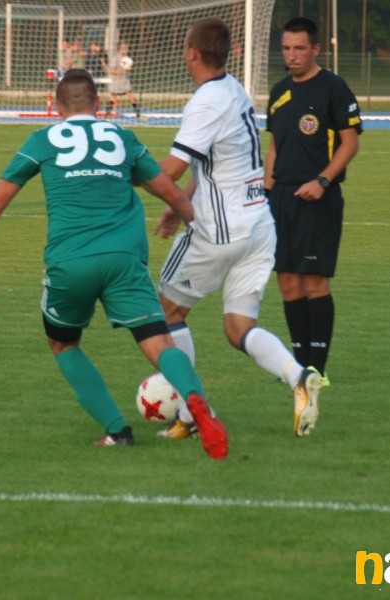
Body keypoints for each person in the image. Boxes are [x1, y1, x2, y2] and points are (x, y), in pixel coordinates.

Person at [0, 69, 228, 460]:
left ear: (56, 107)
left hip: (71, 261)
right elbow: (171, 193)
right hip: (124, 259)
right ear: (98, 104)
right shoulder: (122, 137)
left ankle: (117, 431)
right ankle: (196, 402)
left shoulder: (42, 140)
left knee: (63, 342)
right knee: (158, 341)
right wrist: (195, 225)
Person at [154, 17, 322, 440]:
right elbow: (216, 163)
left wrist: (115, 174)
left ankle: (193, 413)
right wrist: (181, 201)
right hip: (258, 225)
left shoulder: (206, 100)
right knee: (237, 328)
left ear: (192, 52)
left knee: (165, 314)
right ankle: (298, 376)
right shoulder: (233, 89)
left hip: (218, 230)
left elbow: (171, 168)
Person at [263, 17, 362, 388]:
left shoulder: (333, 87)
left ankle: (317, 368)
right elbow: (274, 148)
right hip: (281, 199)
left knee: (315, 283)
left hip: (319, 199)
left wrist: (322, 181)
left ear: (315, 49)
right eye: (286, 48)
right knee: (288, 282)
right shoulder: (279, 91)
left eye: (299, 48)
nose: (292, 55)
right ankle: (298, 365)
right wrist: (266, 194)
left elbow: (350, 143)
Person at [106, 42, 141, 118]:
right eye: (124, 48)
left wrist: (129, 69)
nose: (126, 50)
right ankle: (108, 115)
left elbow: (127, 68)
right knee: (114, 100)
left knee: (132, 97)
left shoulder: (127, 59)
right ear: (119, 49)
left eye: (126, 48)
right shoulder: (115, 58)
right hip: (116, 82)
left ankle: (138, 114)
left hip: (125, 81)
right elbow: (111, 70)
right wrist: (120, 73)